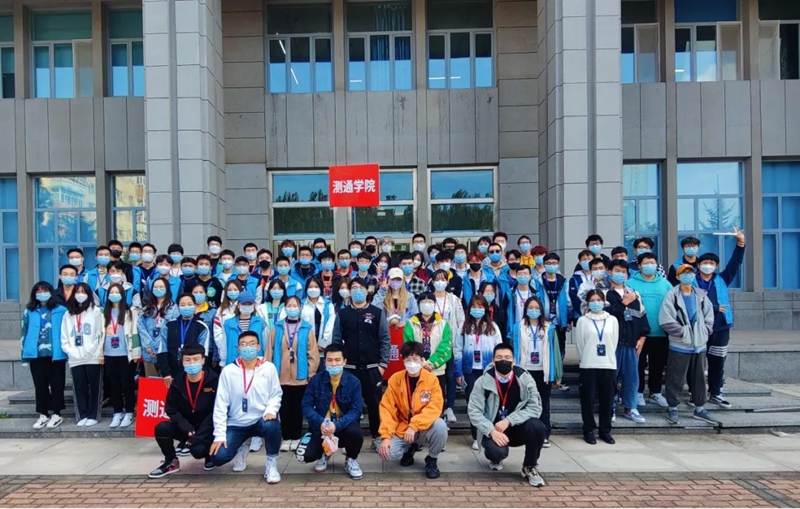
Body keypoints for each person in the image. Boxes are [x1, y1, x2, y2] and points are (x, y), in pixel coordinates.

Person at [467, 343, 547, 487]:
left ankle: (529, 466)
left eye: (507, 358)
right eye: (499, 358)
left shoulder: (525, 378)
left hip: (517, 427)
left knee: (538, 427)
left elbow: (535, 407)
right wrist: (491, 431)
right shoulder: (482, 381)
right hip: (494, 430)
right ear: (493, 361)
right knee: (496, 451)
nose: (503, 361)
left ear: (514, 361)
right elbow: (474, 411)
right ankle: (495, 458)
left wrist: (509, 420)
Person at [210, 331, 283, 482]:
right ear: (238, 348)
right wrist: (219, 435)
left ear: (258, 347)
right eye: (243, 344)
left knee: (272, 425)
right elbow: (220, 404)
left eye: (251, 344)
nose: (247, 347)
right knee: (218, 457)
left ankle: (271, 463)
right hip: (236, 423)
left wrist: (271, 410)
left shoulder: (268, 368)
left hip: (260, 419)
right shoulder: (229, 371)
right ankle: (241, 449)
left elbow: (276, 393)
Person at [332, 277, 391, 449]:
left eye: (361, 288)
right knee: (349, 405)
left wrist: (382, 365)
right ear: (350, 292)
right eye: (354, 288)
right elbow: (337, 341)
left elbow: (385, 340)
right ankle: (350, 439)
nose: (358, 291)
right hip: (349, 369)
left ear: (367, 291)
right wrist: (339, 364)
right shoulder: (342, 314)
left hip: (372, 369)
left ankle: (377, 436)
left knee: (375, 405)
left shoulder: (377, 313)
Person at [149, 343, 220, 478]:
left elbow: (217, 411)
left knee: (198, 451)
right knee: (161, 428)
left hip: (209, 428)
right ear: (182, 362)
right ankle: (171, 461)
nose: (192, 363)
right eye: (187, 360)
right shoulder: (178, 381)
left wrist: (198, 437)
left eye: (195, 359)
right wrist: (185, 427)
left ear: (203, 360)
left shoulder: (214, 380)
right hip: (187, 427)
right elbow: (171, 409)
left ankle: (209, 455)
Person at [378, 342, 446, 479]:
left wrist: (414, 425)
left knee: (440, 426)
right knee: (386, 453)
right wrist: (386, 436)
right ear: (403, 361)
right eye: (408, 360)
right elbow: (387, 408)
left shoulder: (431, 380)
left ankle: (432, 459)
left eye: (415, 359)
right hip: (403, 427)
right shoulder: (395, 380)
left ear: (422, 360)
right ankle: (409, 448)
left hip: (424, 426)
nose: (412, 363)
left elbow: (434, 407)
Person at [659, 264, 717, 426]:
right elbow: (666, 319)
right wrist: (683, 333)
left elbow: (709, 316)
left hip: (699, 345)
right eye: (684, 273)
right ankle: (672, 407)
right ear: (678, 276)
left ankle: (699, 408)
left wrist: (705, 330)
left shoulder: (701, 295)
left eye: (690, 273)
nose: (688, 276)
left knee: (699, 378)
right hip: (680, 344)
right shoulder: (672, 295)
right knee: (675, 377)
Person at [297, 343, 364, 477]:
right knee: (303, 455)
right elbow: (306, 406)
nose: (333, 364)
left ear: (344, 361)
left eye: (337, 360)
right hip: (321, 427)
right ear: (325, 361)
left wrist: (336, 425)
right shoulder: (316, 381)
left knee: (355, 433)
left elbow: (356, 410)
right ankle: (325, 453)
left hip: (343, 427)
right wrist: (320, 422)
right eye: (330, 360)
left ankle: (351, 459)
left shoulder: (354, 382)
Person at [697, 228, 746, 408]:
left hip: (721, 326)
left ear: (716, 266)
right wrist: (716, 308)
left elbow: (735, 263)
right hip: (698, 326)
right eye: (705, 262)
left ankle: (716, 392)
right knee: (696, 362)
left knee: (717, 362)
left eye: (712, 263)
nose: (708, 265)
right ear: (699, 265)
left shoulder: (722, 279)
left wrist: (740, 243)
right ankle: (696, 393)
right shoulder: (691, 281)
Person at [267, 296, 319, 452]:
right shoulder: (277, 327)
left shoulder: (307, 328)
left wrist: (311, 372)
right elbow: (270, 350)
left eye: (294, 305)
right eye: (289, 305)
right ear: (285, 308)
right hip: (281, 375)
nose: (292, 308)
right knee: (284, 408)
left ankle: (296, 437)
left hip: (300, 375)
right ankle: (286, 437)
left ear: (300, 308)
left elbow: (313, 353)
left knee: (297, 408)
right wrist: (268, 372)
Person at [454, 295, 504, 450]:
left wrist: (499, 371)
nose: (477, 310)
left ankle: (489, 434)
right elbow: (457, 350)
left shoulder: (493, 327)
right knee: (474, 404)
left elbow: (499, 349)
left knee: (490, 404)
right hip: (470, 371)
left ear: (486, 309)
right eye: (474, 307)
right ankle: (476, 436)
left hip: (488, 371)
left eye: (480, 307)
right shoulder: (463, 327)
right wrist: (458, 372)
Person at [604, 260, 650, 424]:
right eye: (617, 270)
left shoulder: (634, 294)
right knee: (610, 377)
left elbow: (642, 317)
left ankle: (631, 407)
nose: (620, 274)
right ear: (609, 272)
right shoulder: (603, 293)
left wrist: (642, 337)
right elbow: (606, 314)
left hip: (631, 342)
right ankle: (609, 407)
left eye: (623, 271)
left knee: (632, 377)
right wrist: (623, 304)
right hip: (612, 343)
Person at [512, 296, 561, 447]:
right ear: (525, 310)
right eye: (530, 308)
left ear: (541, 310)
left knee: (543, 402)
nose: (533, 311)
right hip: (525, 370)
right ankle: (525, 432)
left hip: (543, 371)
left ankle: (544, 433)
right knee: (524, 401)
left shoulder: (549, 328)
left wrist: (557, 374)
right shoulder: (518, 327)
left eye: (536, 308)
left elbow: (556, 352)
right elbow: (514, 348)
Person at [627, 252, 673, 408]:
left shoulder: (665, 284)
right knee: (638, 363)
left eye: (652, 263)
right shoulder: (631, 283)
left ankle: (655, 392)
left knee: (657, 364)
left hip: (660, 331)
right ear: (639, 265)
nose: (649, 266)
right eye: (646, 263)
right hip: (639, 333)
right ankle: (638, 392)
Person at [22, 281, 68, 429]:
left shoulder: (61, 310)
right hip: (36, 354)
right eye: (39, 291)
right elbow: (24, 332)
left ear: (51, 292)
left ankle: (57, 414)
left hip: (56, 354)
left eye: (45, 290)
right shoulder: (29, 311)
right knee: (40, 385)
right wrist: (24, 354)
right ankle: (43, 413)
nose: (42, 294)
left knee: (57, 384)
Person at [575, 290, 619, 445]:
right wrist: (586, 358)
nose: (596, 303)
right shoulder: (583, 321)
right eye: (592, 300)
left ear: (604, 301)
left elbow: (614, 342)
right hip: (588, 364)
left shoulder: (612, 320)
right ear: (587, 302)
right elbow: (580, 344)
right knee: (588, 399)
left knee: (607, 399)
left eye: (598, 300)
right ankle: (588, 429)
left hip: (608, 363)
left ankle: (605, 430)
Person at [403, 292, 453, 423]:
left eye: (430, 301)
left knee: (436, 401)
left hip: (437, 371)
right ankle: (417, 427)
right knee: (417, 400)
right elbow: (409, 345)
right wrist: (421, 363)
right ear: (418, 304)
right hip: (416, 370)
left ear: (434, 304)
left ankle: (438, 427)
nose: (427, 304)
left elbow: (446, 346)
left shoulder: (443, 324)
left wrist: (431, 363)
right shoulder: (410, 324)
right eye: (423, 302)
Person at [60, 282, 105, 426]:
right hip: (75, 357)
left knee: (95, 386)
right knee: (79, 387)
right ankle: (82, 415)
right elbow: (64, 335)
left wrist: (93, 350)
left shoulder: (96, 311)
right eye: (78, 292)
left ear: (89, 294)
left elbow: (100, 333)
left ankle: (94, 415)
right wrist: (69, 350)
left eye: (83, 292)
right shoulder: (68, 314)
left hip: (92, 356)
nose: (80, 295)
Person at [103, 283, 141, 428]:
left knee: (127, 384)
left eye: (117, 292)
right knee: (114, 385)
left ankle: (129, 411)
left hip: (126, 353)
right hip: (109, 353)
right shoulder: (103, 313)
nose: (114, 295)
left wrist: (136, 352)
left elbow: (135, 333)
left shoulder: (130, 312)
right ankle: (117, 412)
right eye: (111, 292)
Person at [430, 270, 465, 423]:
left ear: (447, 282)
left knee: (450, 376)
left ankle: (449, 407)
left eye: (443, 279)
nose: (440, 282)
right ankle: (437, 406)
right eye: (437, 279)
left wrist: (458, 340)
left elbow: (461, 321)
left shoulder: (454, 299)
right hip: (433, 344)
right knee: (437, 377)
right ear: (432, 282)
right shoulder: (428, 299)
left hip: (450, 343)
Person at [373, 267, 419, 383]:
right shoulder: (383, 295)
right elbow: (374, 310)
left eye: (398, 280)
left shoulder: (409, 297)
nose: (395, 282)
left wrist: (405, 322)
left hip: (403, 336)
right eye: (393, 279)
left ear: (403, 280)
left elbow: (415, 316)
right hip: (386, 335)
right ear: (388, 280)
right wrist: (382, 291)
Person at [157, 294, 210, 385]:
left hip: (193, 372)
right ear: (178, 307)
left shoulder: (202, 327)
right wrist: (166, 372)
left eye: (189, 304)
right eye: (183, 305)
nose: (186, 307)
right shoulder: (169, 325)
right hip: (171, 374)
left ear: (195, 306)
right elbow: (162, 349)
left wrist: (199, 372)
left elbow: (204, 353)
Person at [138, 279, 179, 377]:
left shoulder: (174, 309)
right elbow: (141, 328)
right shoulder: (146, 309)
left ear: (167, 289)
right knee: (152, 383)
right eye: (155, 287)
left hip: (166, 352)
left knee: (168, 382)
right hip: (149, 353)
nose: (158, 289)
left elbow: (173, 330)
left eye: (161, 287)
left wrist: (159, 347)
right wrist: (150, 346)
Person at [221, 290, 267, 366]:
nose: (246, 306)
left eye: (249, 304)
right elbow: (223, 345)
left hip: (256, 363)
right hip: (233, 362)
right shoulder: (228, 324)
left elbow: (265, 343)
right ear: (238, 305)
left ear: (254, 305)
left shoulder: (260, 322)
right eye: (244, 304)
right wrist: (223, 363)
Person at [301, 278, 336, 353]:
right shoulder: (301, 305)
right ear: (306, 289)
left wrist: (323, 344)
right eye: (310, 287)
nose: (313, 289)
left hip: (323, 348)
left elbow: (330, 325)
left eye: (316, 287)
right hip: (305, 347)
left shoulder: (328, 305)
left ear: (321, 288)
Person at [213, 279, 242, 367]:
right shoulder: (221, 309)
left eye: (235, 289)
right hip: (226, 349)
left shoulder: (244, 307)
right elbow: (217, 331)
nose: (232, 292)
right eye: (230, 290)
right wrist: (224, 345)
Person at [191, 284, 219, 370]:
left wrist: (215, 355)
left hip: (207, 350)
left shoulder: (213, 312)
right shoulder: (187, 310)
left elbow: (215, 334)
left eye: (201, 292)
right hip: (189, 349)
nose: (198, 295)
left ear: (206, 294)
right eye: (195, 292)